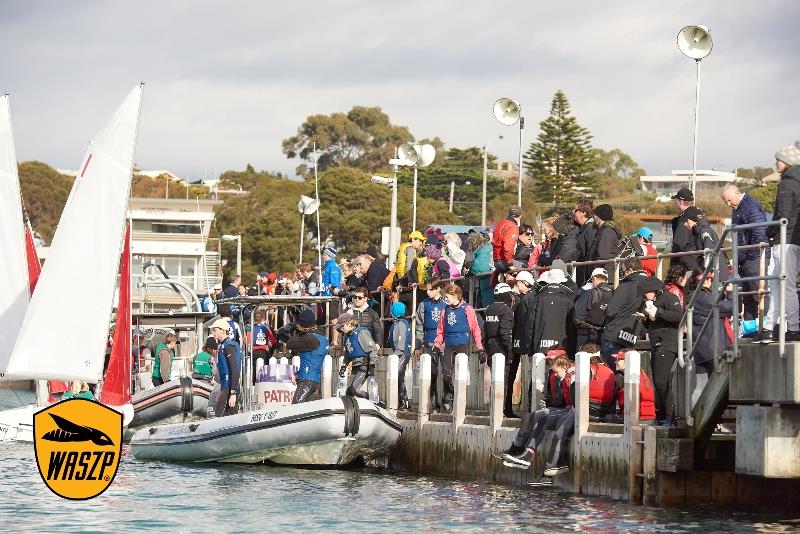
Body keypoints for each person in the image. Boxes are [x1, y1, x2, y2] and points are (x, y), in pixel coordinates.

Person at [497, 353, 573, 468]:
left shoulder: (570, 378)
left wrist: (552, 403)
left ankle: (526, 454)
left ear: (565, 367)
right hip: (564, 409)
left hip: (569, 411)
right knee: (531, 416)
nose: (555, 374)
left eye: (557, 371)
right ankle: (522, 451)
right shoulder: (561, 378)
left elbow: (569, 400)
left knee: (541, 419)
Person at [720, 183, 770, 326]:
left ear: (736, 193)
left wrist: (750, 255)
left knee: (757, 293)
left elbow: (759, 232)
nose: (729, 204)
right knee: (747, 297)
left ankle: (764, 326)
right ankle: (750, 329)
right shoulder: (737, 209)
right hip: (744, 258)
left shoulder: (751, 206)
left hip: (754, 257)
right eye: (726, 202)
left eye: (729, 200)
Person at [765, 143, 800, 342]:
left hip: (784, 240)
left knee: (782, 285)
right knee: (783, 284)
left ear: (787, 161)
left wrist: (769, 232)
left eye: (778, 159)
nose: (776, 163)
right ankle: (774, 325)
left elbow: (782, 215)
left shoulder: (787, 183)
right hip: (794, 240)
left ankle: (789, 327)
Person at [433, 284, 486, 414]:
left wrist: (480, 349)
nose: (446, 300)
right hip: (449, 345)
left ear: (455, 295)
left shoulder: (467, 309)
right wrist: (436, 346)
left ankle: (456, 401)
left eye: (447, 297)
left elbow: (476, 330)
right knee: (446, 376)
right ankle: (449, 397)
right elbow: (440, 331)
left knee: (460, 375)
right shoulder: (445, 310)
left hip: (463, 344)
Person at [640, 276, 682, 425]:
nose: (645, 297)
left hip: (667, 343)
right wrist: (645, 319)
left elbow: (678, 315)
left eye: (646, 293)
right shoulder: (653, 303)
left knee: (661, 382)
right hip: (657, 344)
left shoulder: (669, 297)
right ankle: (663, 415)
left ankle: (669, 417)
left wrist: (658, 313)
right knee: (658, 382)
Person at [691, 273, 733, 407]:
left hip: (700, 349)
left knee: (701, 386)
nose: (711, 282)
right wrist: (731, 293)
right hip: (713, 349)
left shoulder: (693, 297)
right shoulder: (703, 297)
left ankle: (693, 419)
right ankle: (699, 419)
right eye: (709, 279)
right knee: (717, 388)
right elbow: (730, 308)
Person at [601, 258, 649, 368]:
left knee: (614, 374)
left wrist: (606, 308)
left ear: (630, 270)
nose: (623, 274)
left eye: (623, 271)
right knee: (628, 374)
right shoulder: (650, 285)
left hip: (615, 334)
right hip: (631, 335)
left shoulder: (625, 287)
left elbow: (611, 311)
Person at [277, 309, 329, 404]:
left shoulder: (310, 339)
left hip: (307, 381)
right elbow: (310, 359)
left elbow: (290, 344)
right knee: (308, 411)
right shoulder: (322, 337)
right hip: (313, 379)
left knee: (296, 407)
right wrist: (298, 373)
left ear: (304, 326)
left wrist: (286, 330)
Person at [415, 281, 448, 412]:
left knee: (447, 374)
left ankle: (447, 401)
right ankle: (434, 405)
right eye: (426, 290)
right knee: (432, 375)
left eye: (430, 289)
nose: (427, 292)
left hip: (445, 343)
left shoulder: (447, 303)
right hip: (429, 343)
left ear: (438, 289)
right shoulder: (423, 305)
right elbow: (419, 326)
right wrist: (418, 346)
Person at [484, 283, 515, 414]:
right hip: (501, 347)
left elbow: (485, 331)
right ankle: (500, 410)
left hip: (490, 346)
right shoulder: (505, 309)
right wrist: (509, 351)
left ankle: (494, 409)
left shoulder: (489, 308)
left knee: (494, 378)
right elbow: (505, 333)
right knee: (503, 379)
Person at [510, 270, 537, 418]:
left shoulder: (526, 299)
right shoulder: (532, 297)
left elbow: (524, 323)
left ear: (521, 283)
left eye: (517, 283)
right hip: (529, 341)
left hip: (522, 340)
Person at [531, 268, 576, 356]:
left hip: (540, 346)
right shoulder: (568, 299)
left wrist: (529, 348)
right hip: (562, 346)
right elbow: (572, 325)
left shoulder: (538, 298)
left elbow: (530, 324)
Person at [337, 313, 381, 399]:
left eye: (342, 327)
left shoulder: (361, 332)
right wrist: (343, 367)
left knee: (354, 389)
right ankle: (352, 408)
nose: (341, 329)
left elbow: (373, 349)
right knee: (348, 391)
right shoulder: (347, 337)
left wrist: (372, 366)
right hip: (355, 366)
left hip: (364, 366)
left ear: (348, 323)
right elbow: (347, 354)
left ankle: (371, 399)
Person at [609, 350, 656, 425]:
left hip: (632, 419)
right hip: (651, 418)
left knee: (607, 417)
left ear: (626, 361)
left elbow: (611, 400)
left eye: (618, 360)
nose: (615, 362)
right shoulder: (643, 374)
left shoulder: (619, 376)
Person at [573, 267, 613, 349]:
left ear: (594, 278)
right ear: (607, 280)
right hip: (604, 336)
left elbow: (577, 317)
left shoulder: (590, 293)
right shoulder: (615, 294)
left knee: (583, 360)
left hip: (586, 336)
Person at [211, 318, 242, 417]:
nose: (213, 333)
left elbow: (235, 370)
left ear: (223, 331)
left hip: (230, 387)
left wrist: (233, 393)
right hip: (225, 387)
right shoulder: (222, 345)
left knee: (220, 415)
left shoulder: (229, 346)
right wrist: (222, 390)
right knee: (224, 416)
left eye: (215, 330)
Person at [388, 302, 412, 410]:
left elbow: (401, 341)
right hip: (398, 353)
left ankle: (404, 401)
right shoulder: (396, 323)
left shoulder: (401, 324)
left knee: (398, 377)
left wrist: (397, 353)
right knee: (398, 377)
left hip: (402, 353)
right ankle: (400, 400)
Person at [587, 204, 621, 276]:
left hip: (604, 275)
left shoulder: (606, 232)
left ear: (599, 217)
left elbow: (602, 256)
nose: (593, 217)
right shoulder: (602, 230)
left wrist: (593, 273)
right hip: (603, 272)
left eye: (594, 215)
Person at [670, 188, 699, 271]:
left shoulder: (683, 219)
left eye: (676, 200)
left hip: (686, 265)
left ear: (681, 202)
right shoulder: (700, 215)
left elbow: (679, 245)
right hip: (698, 261)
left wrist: (673, 266)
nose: (675, 203)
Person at [492, 205, 522, 276]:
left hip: (496, 261)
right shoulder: (512, 227)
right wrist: (510, 264)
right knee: (527, 268)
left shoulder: (500, 224)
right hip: (504, 261)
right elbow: (508, 247)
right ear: (520, 216)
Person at [467, 229, 494, 308]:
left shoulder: (483, 250)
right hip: (487, 279)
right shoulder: (487, 247)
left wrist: (470, 271)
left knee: (487, 305)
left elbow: (481, 268)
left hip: (487, 280)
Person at [574, 199, 596, 286]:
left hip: (586, 275)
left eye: (576, 211)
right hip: (581, 272)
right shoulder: (583, 228)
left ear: (583, 213)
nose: (574, 213)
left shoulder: (590, 228)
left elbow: (590, 252)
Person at [251, 309, 274, 383]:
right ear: (262, 318)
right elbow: (273, 340)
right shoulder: (266, 327)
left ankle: (254, 384)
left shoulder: (250, 328)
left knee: (254, 369)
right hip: (263, 351)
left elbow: (246, 340)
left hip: (253, 351)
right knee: (264, 369)